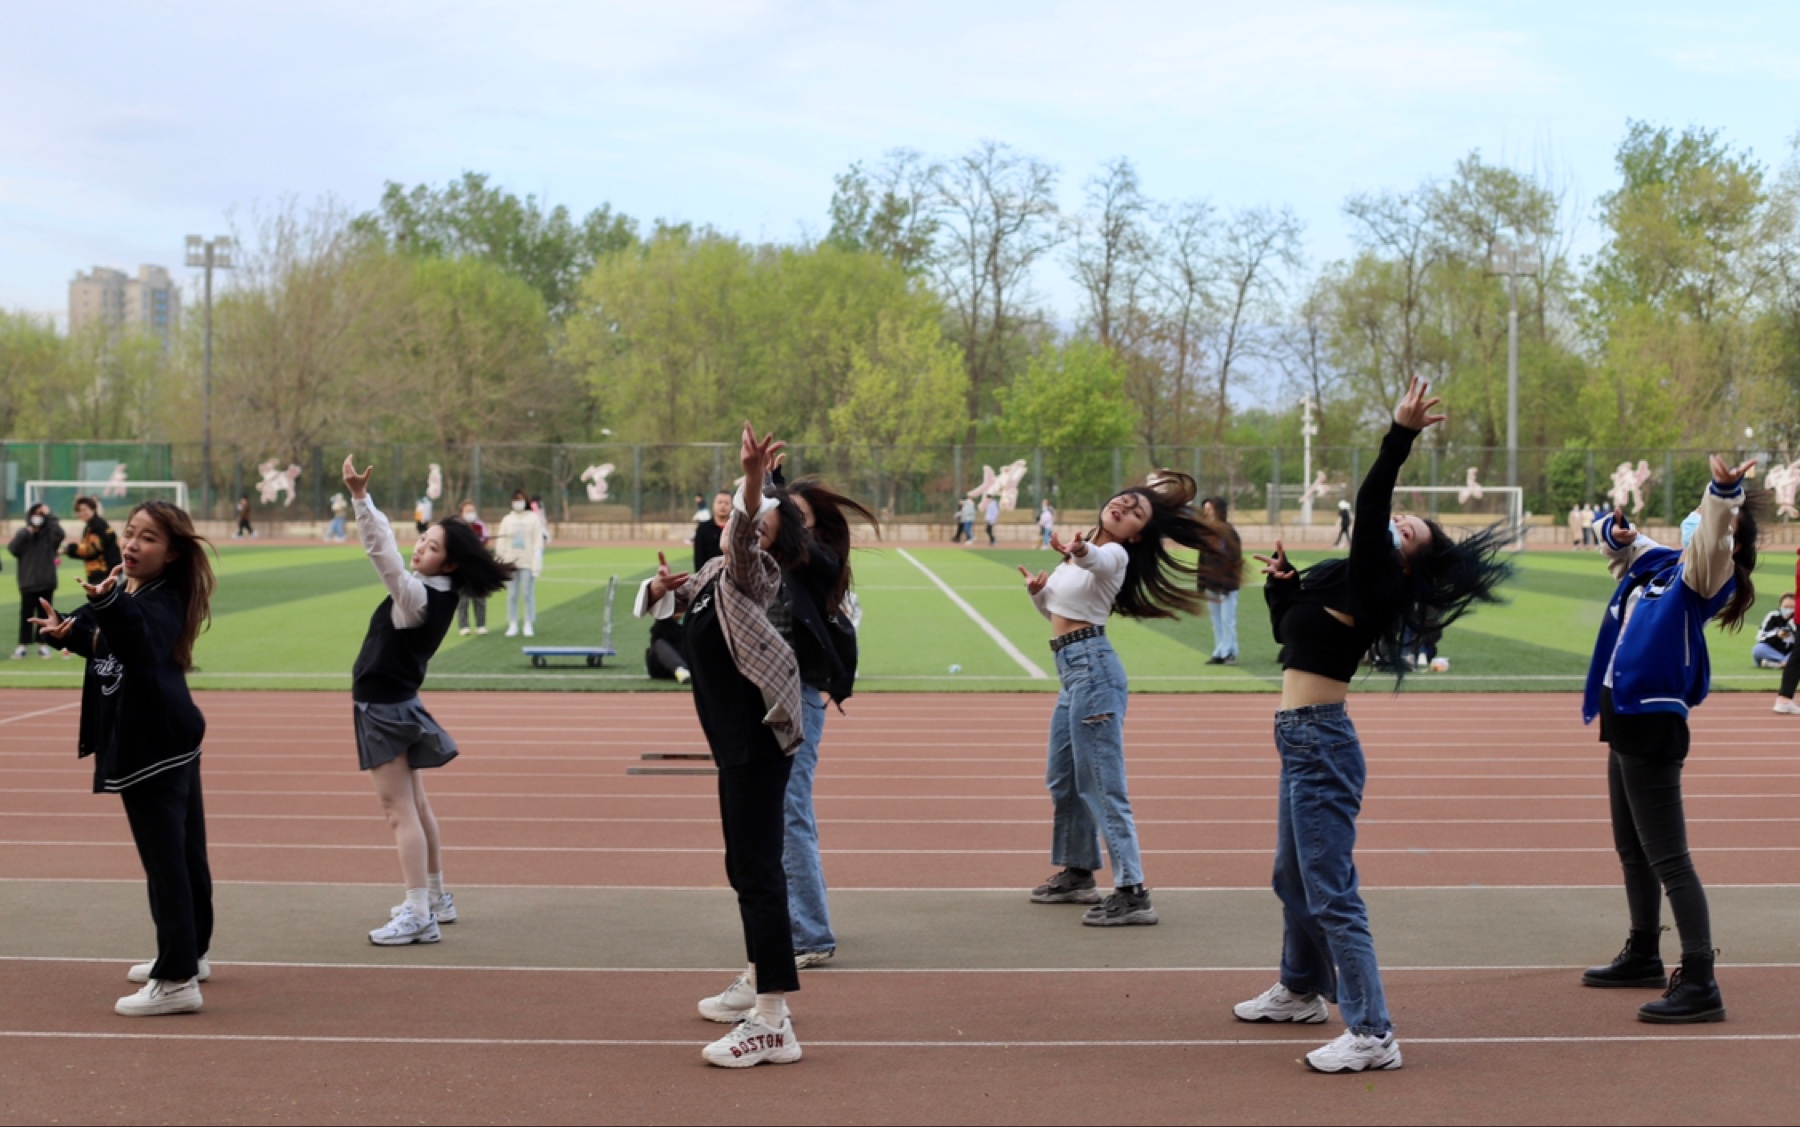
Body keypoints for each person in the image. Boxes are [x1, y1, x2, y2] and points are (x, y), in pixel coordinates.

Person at [1237, 376, 1514, 1073]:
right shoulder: (1339, 575)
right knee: (1289, 874)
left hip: (1322, 742)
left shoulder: (1378, 581)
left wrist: (1401, 435)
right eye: (1404, 520)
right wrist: (1280, 584)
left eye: (1410, 529)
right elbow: (1288, 632)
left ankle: (1373, 1031)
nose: (1399, 522)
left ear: (1407, 557)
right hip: (1298, 736)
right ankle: (1302, 988)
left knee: (1331, 889)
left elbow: (1370, 503)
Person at [636, 422, 809, 1069]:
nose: (745, 520)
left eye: (760, 519)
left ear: (768, 537)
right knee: (746, 868)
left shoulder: (751, 570)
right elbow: (673, 598)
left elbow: (737, 539)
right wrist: (657, 591)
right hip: (733, 742)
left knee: (759, 872)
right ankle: (757, 988)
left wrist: (753, 478)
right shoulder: (710, 572)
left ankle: (774, 1020)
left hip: (759, 739)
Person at [1578, 457, 1760, 1024]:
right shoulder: (1661, 565)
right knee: (1631, 848)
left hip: (1653, 724)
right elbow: (1619, 550)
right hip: (1622, 713)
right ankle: (1642, 952)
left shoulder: (1703, 573)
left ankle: (1701, 979)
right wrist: (1615, 531)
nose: (1688, 524)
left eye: (1697, 519)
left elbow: (1708, 539)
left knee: (1670, 860)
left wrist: (1724, 493)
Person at [1018, 471, 1235, 930]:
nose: (1124, 509)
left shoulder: (1112, 553)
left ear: (1138, 535)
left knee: (1100, 783)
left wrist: (1080, 550)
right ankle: (1078, 873)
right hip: (1071, 669)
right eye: (1124, 501)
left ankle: (1133, 891)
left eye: (1137, 513)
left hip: (1093, 672)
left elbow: (1097, 559)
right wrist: (1038, 595)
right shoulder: (1078, 559)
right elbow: (1058, 613)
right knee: (1063, 779)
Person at [29, 502, 216, 1016]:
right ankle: (191, 952)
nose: (133, 544)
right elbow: (109, 643)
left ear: (173, 552)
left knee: (168, 864)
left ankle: (177, 979)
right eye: (131, 533)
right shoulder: (134, 590)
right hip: (170, 737)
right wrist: (73, 630)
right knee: (184, 855)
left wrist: (110, 602)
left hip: (153, 747)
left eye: (149, 538)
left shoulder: (161, 598)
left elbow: (140, 644)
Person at [342, 456, 514, 946]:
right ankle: (435, 896)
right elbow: (393, 555)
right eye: (423, 538)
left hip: (385, 708)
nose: (419, 547)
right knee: (415, 804)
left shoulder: (418, 597)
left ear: (451, 563)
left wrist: (361, 500)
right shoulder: (436, 593)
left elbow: (382, 555)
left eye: (432, 546)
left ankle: (419, 910)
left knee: (399, 811)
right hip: (400, 702)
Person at [780, 474, 879, 970]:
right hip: (767, 695)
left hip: (797, 696)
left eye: (800, 514)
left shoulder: (819, 558)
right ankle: (798, 921)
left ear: (815, 526)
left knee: (789, 809)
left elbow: (803, 554)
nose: (788, 520)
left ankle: (810, 934)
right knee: (783, 810)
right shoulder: (770, 556)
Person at [10, 502, 64, 659]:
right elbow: (13, 549)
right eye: (36, 515)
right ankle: (22, 646)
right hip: (27, 582)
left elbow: (60, 534)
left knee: (45, 616)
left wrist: (50, 515)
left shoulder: (50, 534)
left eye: (41, 515)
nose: (38, 518)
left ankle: (43, 645)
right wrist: (27, 533)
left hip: (46, 582)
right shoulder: (23, 534)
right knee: (26, 615)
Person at [1199, 496, 1243, 666]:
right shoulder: (1207, 532)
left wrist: (1227, 582)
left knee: (1228, 620)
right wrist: (1202, 582)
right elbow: (1202, 559)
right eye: (1206, 510)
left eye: (1210, 510)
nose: (1207, 513)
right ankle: (1219, 651)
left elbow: (1233, 559)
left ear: (1219, 511)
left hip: (1227, 584)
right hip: (1212, 583)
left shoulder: (1229, 532)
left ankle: (1230, 652)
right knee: (1216, 620)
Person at [496, 489, 545, 638]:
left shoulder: (533, 519)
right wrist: (502, 560)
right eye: (516, 500)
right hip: (511, 562)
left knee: (527, 594)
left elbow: (538, 541)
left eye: (521, 499)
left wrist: (536, 560)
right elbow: (501, 542)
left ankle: (528, 623)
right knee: (512, 594)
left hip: (527, 562)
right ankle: (512, 623)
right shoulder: (507, 520)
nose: (518, 503)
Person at [65, 496, 121, 587]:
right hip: (100, 572)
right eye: (79, 510)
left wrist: (70, 548)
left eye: (84, 509)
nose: (81, 513)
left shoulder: (98, 526)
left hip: (105, 572)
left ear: (93, 509)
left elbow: (90, 549)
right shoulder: (91, 526)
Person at [454, 500, 490, 636]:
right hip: (462, 567)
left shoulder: (480, 525)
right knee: (463, 599)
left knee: (479, 597)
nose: (471, 513)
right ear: (461, 513)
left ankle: (481, 625)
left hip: (478, 566)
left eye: (472, 511)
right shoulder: (457, 527)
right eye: (468, 511)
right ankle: (464, 626)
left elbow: (485, 540)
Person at [1751, 593, 1794, 669]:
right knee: (1758, 649)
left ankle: (1776, 664)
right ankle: (1785, 663)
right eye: (1786, 607)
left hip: (1791, 652)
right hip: (1773, 651)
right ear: (1780, 606)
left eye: (1792, 607)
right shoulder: (1772, 616)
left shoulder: (1797, 619)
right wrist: (1777, 635)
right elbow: (1760, 637)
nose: (1789, 610)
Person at [694, 490, 730, 571]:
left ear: (732, 506)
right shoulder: (703, 529)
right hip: (708, 577)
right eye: (720, 502)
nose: (723, 506)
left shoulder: (736, 529)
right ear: (713, 505)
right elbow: (699, 558)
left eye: (726, 503)